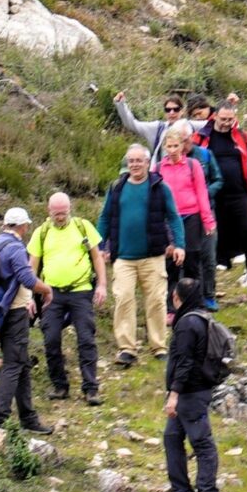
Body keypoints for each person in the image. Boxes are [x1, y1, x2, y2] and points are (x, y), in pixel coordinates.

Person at [98, 144, 185, 366]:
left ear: (148, 163)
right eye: (131, 161)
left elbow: (174, 217)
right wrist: (100, 247)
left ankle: (158, 346)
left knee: (156, 301)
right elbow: (105, 218)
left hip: (153, 256)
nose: (135, 164)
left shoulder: (159, 187)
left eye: (139, 160)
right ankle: (127, 348)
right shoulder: (116, 187)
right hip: (123, 258)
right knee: (124, 299)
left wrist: (179, 245)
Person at [0, 206, 53, 434]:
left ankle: (28, 417)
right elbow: (27, 279)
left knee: (21, 362)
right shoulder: (15, 247)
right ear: (23, 226)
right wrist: (46, 290)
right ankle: (0, 419)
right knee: (13, 364)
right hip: (14, 312)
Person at [28, 192, 108, 407]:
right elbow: (31, 267)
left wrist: (101, 285)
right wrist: (29, 296)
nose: (60, 217)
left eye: (64, 213)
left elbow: (97, 257)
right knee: (51, 338)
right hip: (52, 293)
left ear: (70, 209)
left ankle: (91, 388)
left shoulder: (83, 227)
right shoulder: (41, 233)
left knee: (86, 339)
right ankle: (59, 385)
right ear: (49, 211)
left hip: (81, 291)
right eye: (56, 214)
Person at [160, 276, 224, 492]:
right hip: (194, 391)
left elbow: (185, 362)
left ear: (178, 297)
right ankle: (182, 490)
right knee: (172, 437)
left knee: (201, 442)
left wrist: (174, 394)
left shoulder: (187, 324)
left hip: (191, 393)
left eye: (174, 295)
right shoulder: (201, 318)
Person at [201, 95, 247, 304]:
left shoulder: (241, 137)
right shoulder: (203, 138)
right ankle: (207, 292)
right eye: (223, 119)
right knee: (212, 243)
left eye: (230, 120)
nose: (227, 123)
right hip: (213, 198)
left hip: (240, 195)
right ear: (215, 117)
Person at [155, 122, 220, 314]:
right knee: (171, 264)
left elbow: (202, 193)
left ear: (183, 146)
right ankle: (170, 307)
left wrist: (208, 220)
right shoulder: (158, 169)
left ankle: (195, 304)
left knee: (192, 262)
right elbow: (155, 197)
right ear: (164, 147)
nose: (173, 150)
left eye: (177, 146)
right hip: (169, 220)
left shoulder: (193, 166)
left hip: (192, 217)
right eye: (170, 146)